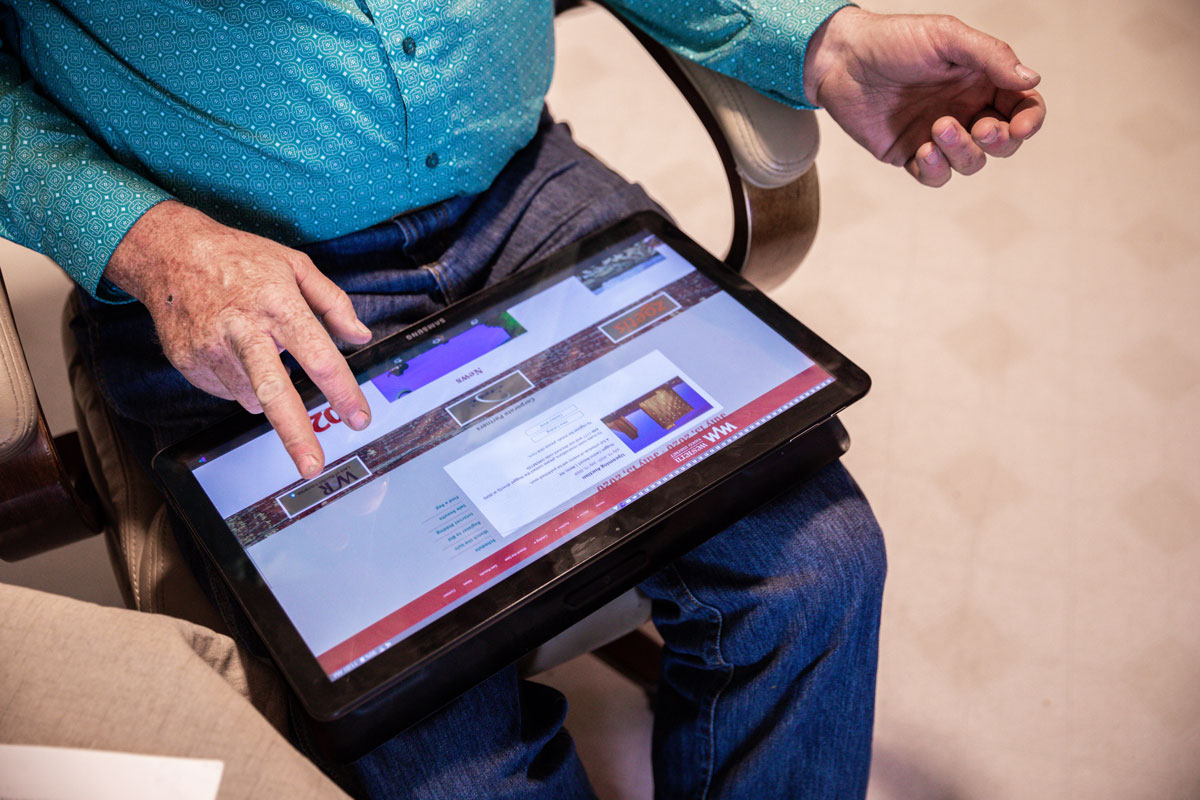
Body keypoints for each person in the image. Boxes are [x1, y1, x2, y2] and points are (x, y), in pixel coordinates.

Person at [0, 2, 1045, 797]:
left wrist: (814, 37)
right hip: (232, 271)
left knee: (818, 565)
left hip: (522, 193)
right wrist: (136, 235)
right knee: (441, 748)